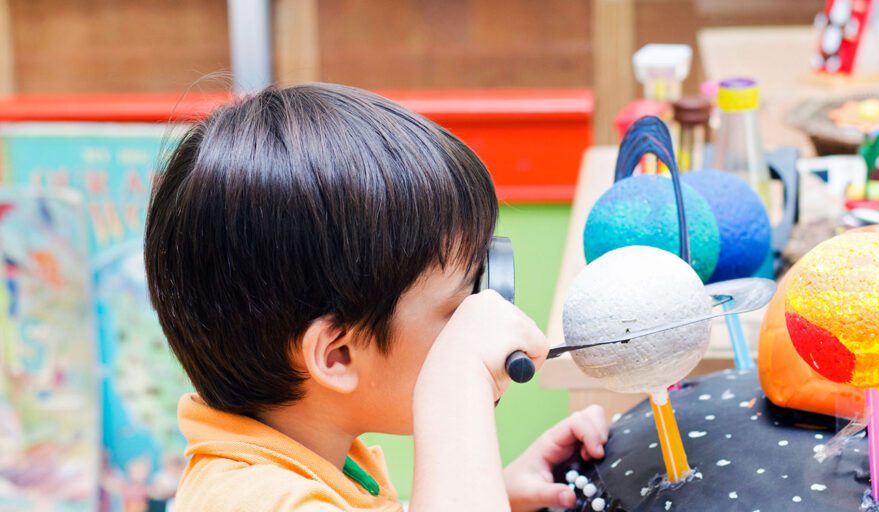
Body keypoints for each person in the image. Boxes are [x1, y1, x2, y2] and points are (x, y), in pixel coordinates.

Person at [144, 83, 608, 511]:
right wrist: (457, 384)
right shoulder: (258, 501)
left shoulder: (311, 459)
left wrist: (495, 490)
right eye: (456, 311)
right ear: (338, 354)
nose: (479, 322)